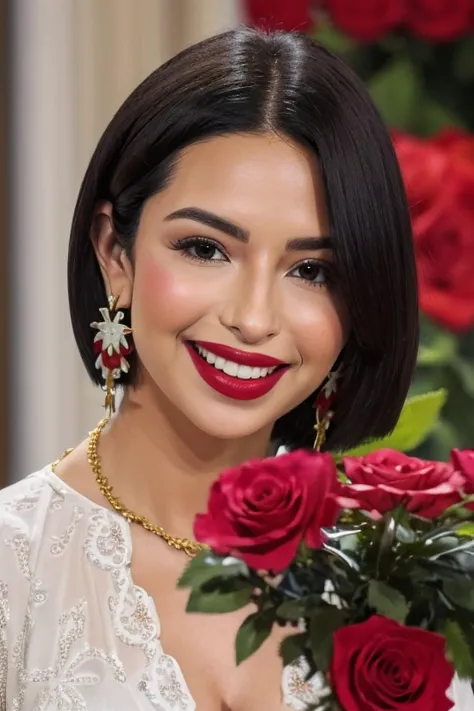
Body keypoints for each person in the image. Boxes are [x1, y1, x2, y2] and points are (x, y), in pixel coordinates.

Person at [0, 27, 471, 711]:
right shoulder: (14, 569)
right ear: (116, 255)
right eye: (205, 248)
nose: (254, 317)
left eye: (311, 270)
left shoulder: (403, 581)